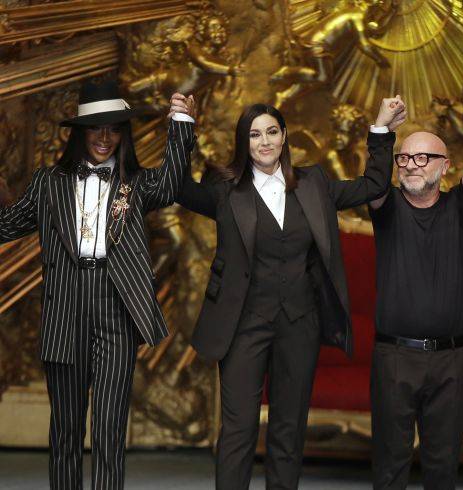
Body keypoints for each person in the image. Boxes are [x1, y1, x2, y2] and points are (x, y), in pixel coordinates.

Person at [173, 96, 406, 489]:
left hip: (300, 324)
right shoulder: (225, 190)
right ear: (243, 143)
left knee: (288, 430)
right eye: (254, 134)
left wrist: (381, 128)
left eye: (271, 132)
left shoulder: (314, 183)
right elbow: (177, 186)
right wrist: (182, 125)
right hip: (243, 326)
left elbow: (373, 184)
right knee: (238, 430)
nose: (264, 141)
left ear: (284, 138)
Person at [0, 80, 196, 490]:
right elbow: (6, 225)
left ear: (123, 134)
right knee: (66, 431)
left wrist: (181, 121)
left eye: (113, 129)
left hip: (115, 308)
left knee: (109, 429)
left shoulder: (136, 184)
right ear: (79, 132)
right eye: (96, 128)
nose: (104, 138)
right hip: (64, 309)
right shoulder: (48, 182)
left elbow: (173, 181)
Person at [367, 70, 463, 489]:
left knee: (442, 470)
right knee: (389, 468)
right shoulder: (384, 206)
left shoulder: (460, 207)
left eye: (422, 158)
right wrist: (383, 129)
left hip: (449, 361)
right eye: (405, 158)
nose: (410, 165)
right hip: (394, 357)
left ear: (444, 168)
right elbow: (374, 176)